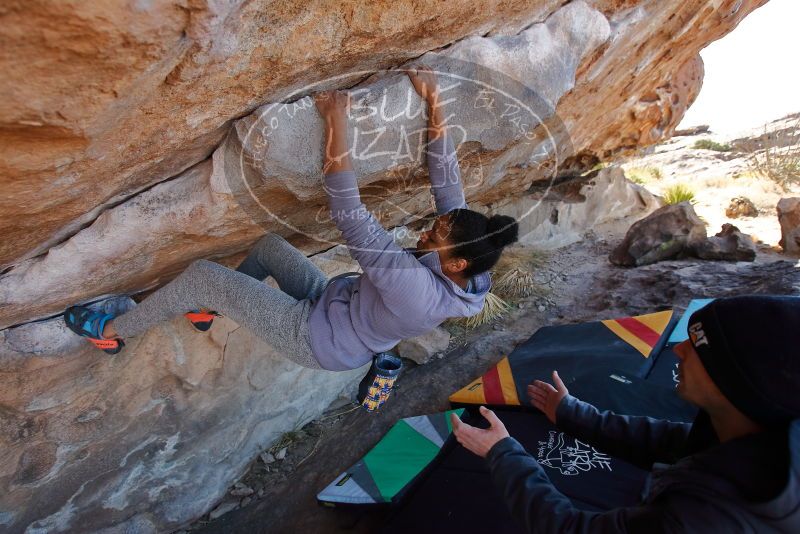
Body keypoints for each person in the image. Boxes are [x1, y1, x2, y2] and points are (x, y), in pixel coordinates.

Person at [63, 64, 519, 371]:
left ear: (455, 262)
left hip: (315, 339)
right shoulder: (469, 261)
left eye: (434, 235)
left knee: (205, 274)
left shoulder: (416, 289)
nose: (426, 230)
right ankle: (205, 309)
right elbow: (447, 183)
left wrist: (337, 122)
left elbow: (350, 213)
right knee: (268, 248)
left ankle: (110, 332)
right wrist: (434, 99)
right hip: (335, 306)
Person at [451, 295, 800, 532]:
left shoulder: (702, 518)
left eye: (697, 350)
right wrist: (574, 415)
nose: (677, 350)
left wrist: (503, 453)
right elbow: (674, 440)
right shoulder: (761, 429)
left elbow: (570, 529)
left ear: (735, 383)